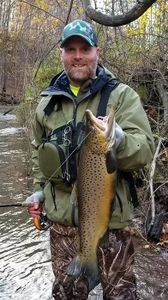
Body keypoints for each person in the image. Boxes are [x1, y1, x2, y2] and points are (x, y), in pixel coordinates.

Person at [24, 19, 154, 300]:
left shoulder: (122, 96)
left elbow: (144, 150)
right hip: (62, 228)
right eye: (70, 49)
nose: (78, 56)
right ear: (62, 54)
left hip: (113, 227)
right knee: (66, 294)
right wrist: (38, 190)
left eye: (85, 48)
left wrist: (119, 141)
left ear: (97, 52)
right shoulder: (46, 103)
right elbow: (38, 153)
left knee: (121, 295)